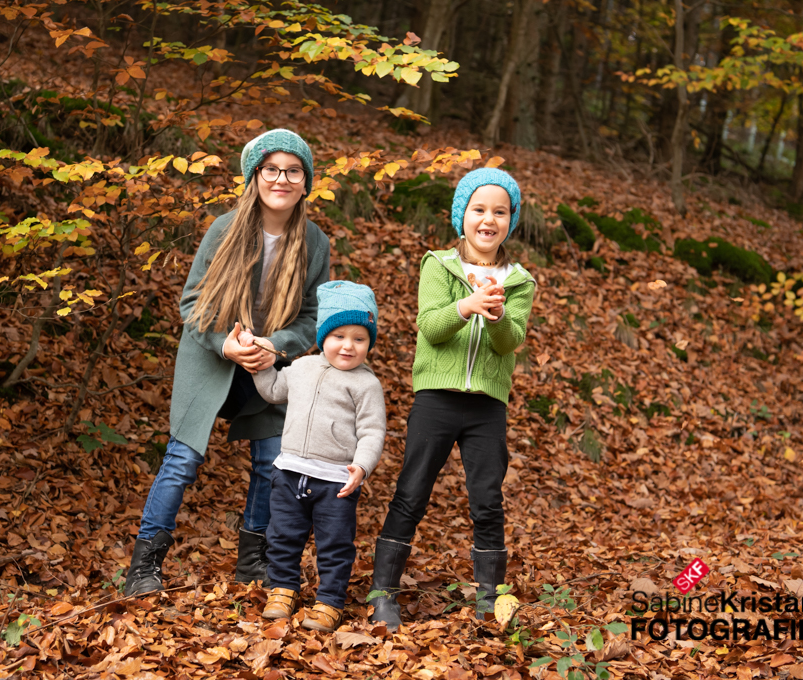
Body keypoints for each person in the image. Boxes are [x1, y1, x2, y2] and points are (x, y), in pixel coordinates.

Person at [123, 129, 331, 597]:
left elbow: (315, 316)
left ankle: (253, 561)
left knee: (272, 463)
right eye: (271, 169)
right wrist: (224, 344)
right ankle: (144, 565)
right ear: (254, 177)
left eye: (292, 170)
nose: (281, 178)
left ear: (305, 182)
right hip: (212, 358)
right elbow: (191, 302)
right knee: (181, 460)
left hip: (269, 365)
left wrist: (276, 345)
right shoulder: (225, 229)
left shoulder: (315, 244)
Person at [367, 167, 536, 630]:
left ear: (510, 221)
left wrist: (498, 315)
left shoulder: (519, 280)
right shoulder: (439, 265)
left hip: (487, 407)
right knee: (412, 490)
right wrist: (467, 306)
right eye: (479, 209)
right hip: (436, 399)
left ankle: (488, 598)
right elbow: (432, 327)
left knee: (487, 498)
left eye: (500, 212)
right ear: (462, 215)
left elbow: (509, 343)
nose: (489, 219)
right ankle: (383, 592)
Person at [253, 281, 386, 632]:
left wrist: (362, 465)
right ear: (323, 336)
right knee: (282, 535)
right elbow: (272, 391)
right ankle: (282, 589)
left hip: (336, 481)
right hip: (290, 471)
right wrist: (259, 365)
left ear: (369, 343)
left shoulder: (366, 385)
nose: (348, 346)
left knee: (335, 544)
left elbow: (372, 431)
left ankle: (329, 601)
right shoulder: (302, 367)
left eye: (359, 338)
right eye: (339, 335)